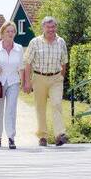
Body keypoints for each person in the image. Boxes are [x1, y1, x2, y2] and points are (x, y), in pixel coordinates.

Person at [23, 16, 68, 147]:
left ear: (56, 27)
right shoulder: (35, 42)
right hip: (39, 77)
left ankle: (60, 134)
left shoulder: (61, 42)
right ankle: (42, 136)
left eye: (53, 27)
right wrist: (27, 82)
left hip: (56, 78)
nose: (51, 29)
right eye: (48, 27)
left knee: (57, 104)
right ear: (43, 28)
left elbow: (64, 62)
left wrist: (61, 77)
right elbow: (27, 63)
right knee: (40, 107)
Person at [0, 21, 24, 149]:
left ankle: (11, 138)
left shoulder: (19, 48)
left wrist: (23, 82)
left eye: (13, 31)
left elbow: (21, 67)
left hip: (13, 81)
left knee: (11, 110)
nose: (11, 33)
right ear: (2, 33)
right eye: (8, 31)